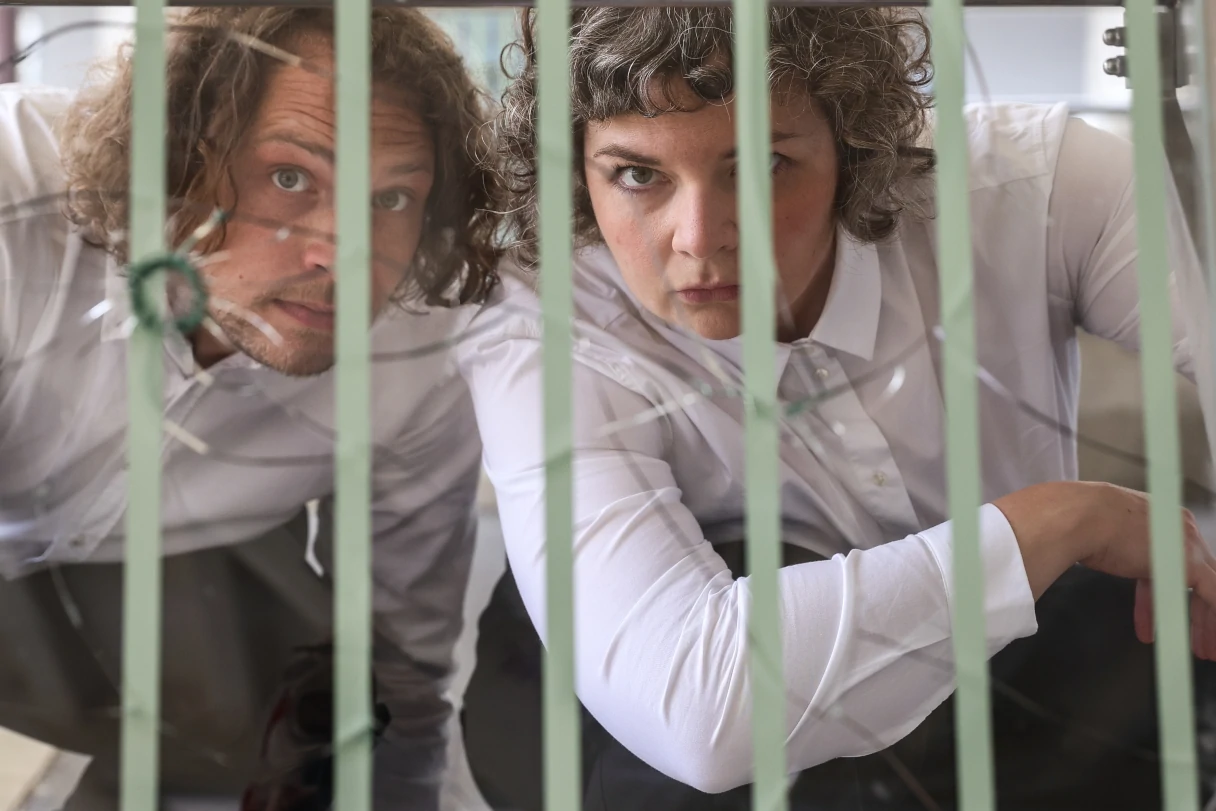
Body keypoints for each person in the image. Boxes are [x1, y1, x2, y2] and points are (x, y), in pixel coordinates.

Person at [458, 6, 1216, 810]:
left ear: (852, 144)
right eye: (637, 174)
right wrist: (1058, 520)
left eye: (762, 163)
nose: (700, 238)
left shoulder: (1039, 189)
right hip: (632, 743)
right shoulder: (532, 317)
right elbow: (699, 713)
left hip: (992, 676)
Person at [0, 7, 498, 809]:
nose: (341, 251)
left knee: (330, 712)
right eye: (291, 176)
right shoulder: (13, 195)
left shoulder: (427, 350)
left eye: (393, 198)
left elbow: (405, 657)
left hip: (175, 573)